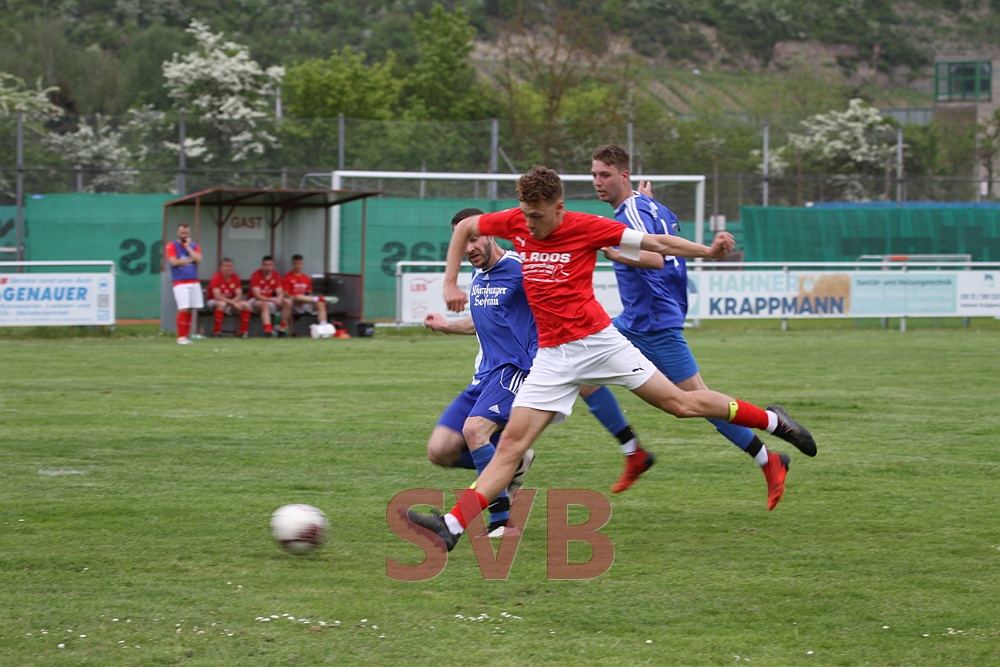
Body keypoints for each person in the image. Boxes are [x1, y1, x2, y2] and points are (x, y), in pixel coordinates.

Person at [407, 165, 817, 553]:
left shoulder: (587, 226)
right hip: (552, 357)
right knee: (511, 445)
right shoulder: (517, 221)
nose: (529, 226)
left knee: (682, 404)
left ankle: (772, 421)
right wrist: (449, 283)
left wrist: (708, 251)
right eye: (526, 215)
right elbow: (466, 227)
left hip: (598, 344)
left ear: (559, 207)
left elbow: (658, 244)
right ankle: (452, 526)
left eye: (538, 217)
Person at [591, 143, 815, 510]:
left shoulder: (632, 211)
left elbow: (655, 258)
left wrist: (616, 252)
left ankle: (771, 442)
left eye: (605, 175)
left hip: (653, 322)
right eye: (595, 175)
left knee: (698, 402)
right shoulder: (649, 206)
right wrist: (644, 204)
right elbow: (657, 237)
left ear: (624, 175)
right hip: (636, 320)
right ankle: (634, 453)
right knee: (582, 373)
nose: (598, 182)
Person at [423, 208, 648, 537]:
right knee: (440, 450)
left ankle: (500, 520)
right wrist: (446, 326)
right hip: (484, 375)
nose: (468, 248)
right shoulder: (479, 275)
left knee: (475, 431)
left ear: (490, 233)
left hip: (517, 368)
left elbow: (554, 300)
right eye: (462, 241)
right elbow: (484, 322)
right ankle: (511, 463)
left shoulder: (519, 269)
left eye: (474, 238)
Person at [282, 254, 339, 337]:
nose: (297, 266)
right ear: (292, 264)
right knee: (298, 297)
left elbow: (309, 293)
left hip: (306, 302)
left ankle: (324, 328)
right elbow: (285, 294)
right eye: (295, 264)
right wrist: (299, 298)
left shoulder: (306, 278)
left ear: (302, 264)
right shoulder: (287, 277)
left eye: (299, 264)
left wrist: (305, 299)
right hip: (294, 303)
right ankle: (320, 298)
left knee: (321, 304)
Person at [165, 223, 203, 345]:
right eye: (182, 233)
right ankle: (180, 337)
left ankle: (186, 336)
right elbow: (173, 262)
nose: (184, 235)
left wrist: (188, 248)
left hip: (194, 281)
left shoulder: (194, 246)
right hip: (180, 281)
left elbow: (199, 259)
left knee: (191, 308)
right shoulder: (171, 245)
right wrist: (188, 261)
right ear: (178, 233)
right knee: (183, 308)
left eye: (186, 233)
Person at [206, 257, 252, 338]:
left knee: (246, 305)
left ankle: (244, 333)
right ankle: (217, 332)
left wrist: (233, 302)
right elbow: (217, 296)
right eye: (226, 266)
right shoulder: (216, 277)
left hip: (230, 301)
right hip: (213, 301)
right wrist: (233, 303)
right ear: (221, 267)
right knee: (221, 304)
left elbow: (239, 295)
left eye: (230, 266)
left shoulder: (235, 277)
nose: (229, 268)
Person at [248, 255, 291, 337]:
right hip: (255, 301)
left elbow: (280, 292)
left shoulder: (276, 275)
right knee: (265, 304)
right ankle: (268, 331)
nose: (267, 267)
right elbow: (257, 295)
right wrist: (272, 300)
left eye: (269, 265)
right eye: (265, 265)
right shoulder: (256, 275)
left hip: (271, 300)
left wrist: (279, 299)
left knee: (287, 302)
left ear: (273, 266)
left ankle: (282, 329)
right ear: (262, 265)